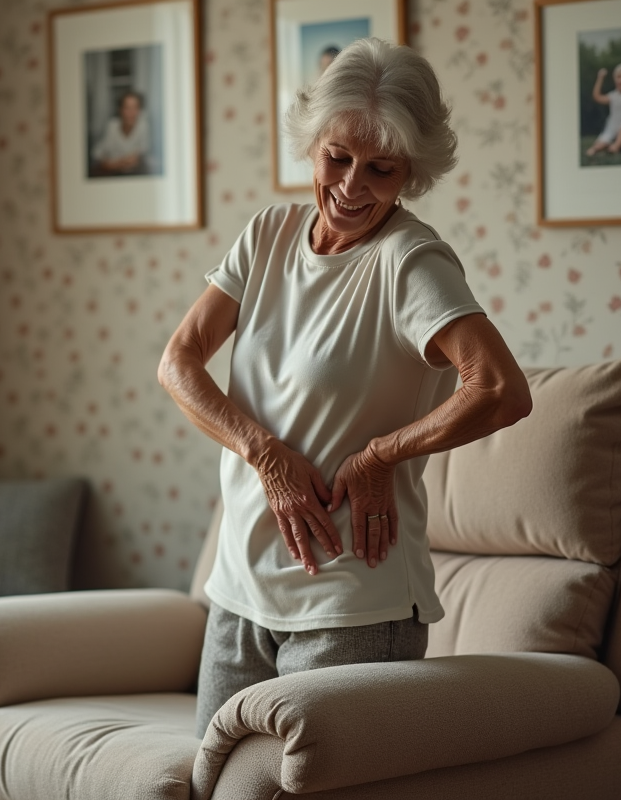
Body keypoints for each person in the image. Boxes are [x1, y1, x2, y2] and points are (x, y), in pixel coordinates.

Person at [157, 37, 532, 738]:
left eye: (381, 169)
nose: (353, 186)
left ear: (411, 171)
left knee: (307, 787)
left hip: (353, 608)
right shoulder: (269, 234)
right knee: (213, 783)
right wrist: (263, 451)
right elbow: (178, 361)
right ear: (313, 145)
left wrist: (381, 455)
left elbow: (500, 389)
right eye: (337, 157)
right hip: (239, 592)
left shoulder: (410, 261)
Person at [91, 90, 151, 175]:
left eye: (135, 108)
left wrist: (115, 163)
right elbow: (97, 154)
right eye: (127, 108)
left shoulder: (143, 127)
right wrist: (115, 164)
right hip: (112, 176)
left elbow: (143, 155)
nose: (131, 112)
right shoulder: (111, 126)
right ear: (120, 110)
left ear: (139, 110)